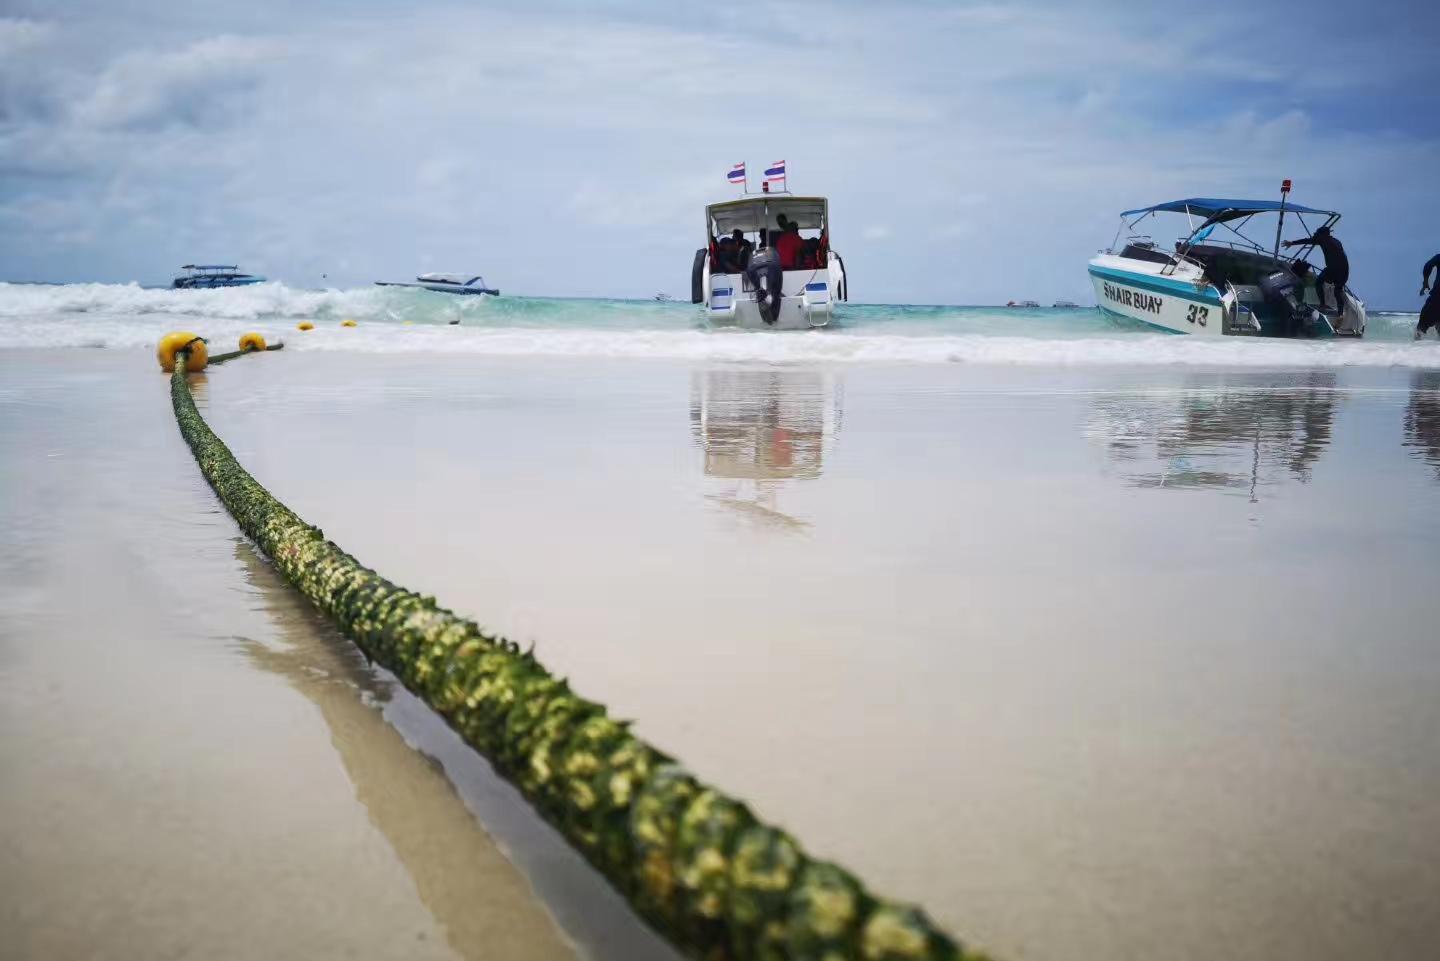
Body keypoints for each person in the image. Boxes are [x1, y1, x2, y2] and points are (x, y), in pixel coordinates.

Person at [1282, 225, 1349, 315]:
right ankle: (1339, 313)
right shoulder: (1333, 241)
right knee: (1336, 289)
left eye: (1317, 234)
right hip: (1342, 270)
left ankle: (1325, 306)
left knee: (1326, 285)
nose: (1315, 236)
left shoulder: (1325, 241)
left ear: (1323, 235)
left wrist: (1292, 243)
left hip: (1338, 271)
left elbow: (1308, 240)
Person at [1419, 253, 1440, 340]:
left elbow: (1428, 265)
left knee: (1421, 327)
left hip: (1438, 296)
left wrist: (1425, 282)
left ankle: (1414, 349)